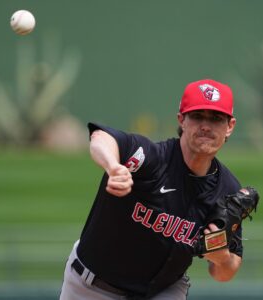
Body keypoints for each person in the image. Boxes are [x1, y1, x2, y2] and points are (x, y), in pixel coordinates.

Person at [60, 79, 244, 300]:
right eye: (197, 116)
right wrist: (113, 165)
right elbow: (102, 138)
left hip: (163, 291)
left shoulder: (228, 190)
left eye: (216, 118)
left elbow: (225, 272)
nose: (206, 125)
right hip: (92, 288)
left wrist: (222, 258)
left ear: (230, 126)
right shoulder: (152, 158)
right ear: (182, 120)